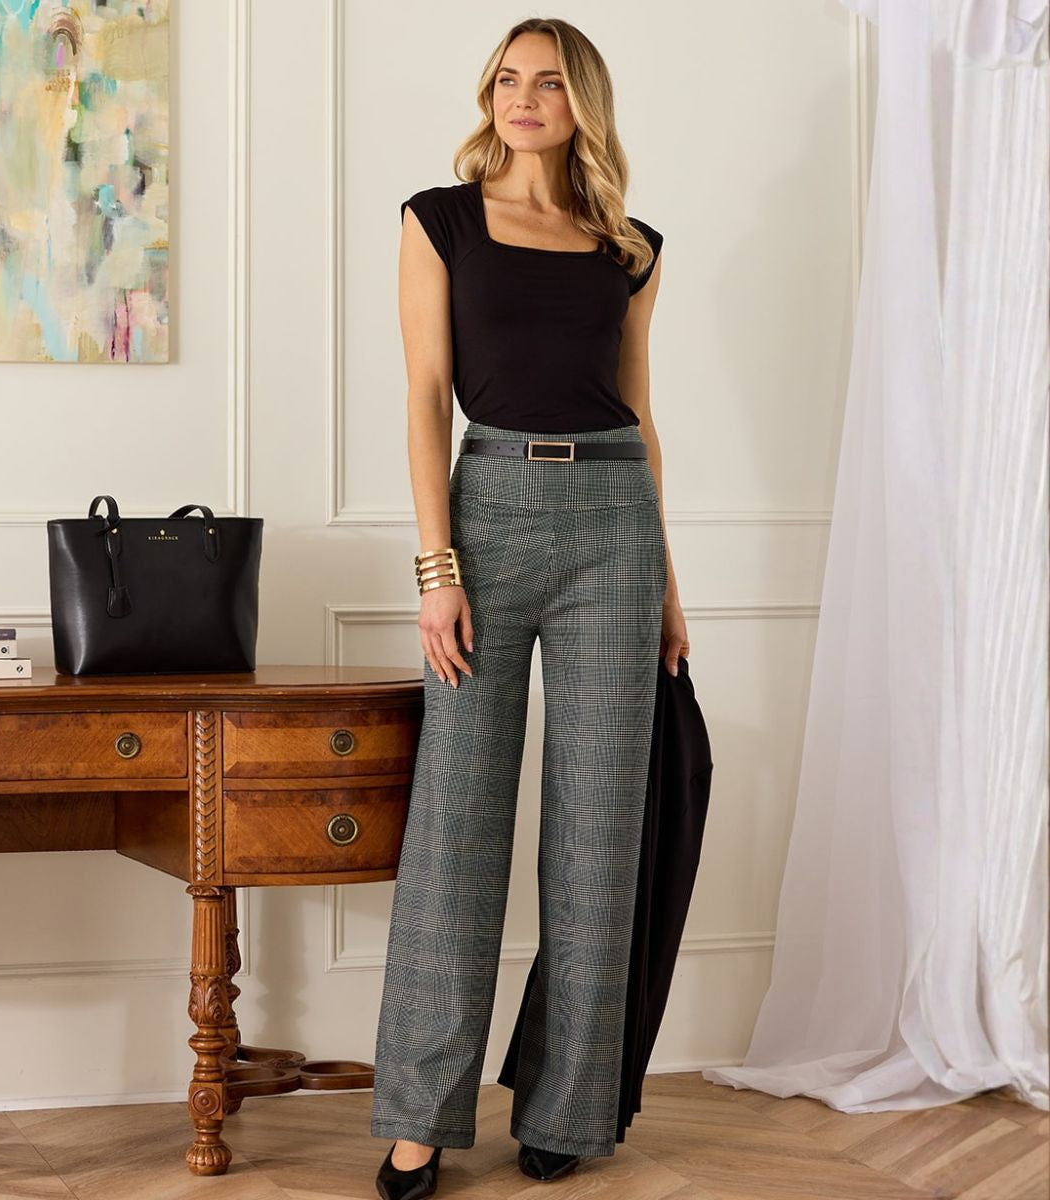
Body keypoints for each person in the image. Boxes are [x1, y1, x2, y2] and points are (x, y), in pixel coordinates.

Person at [371, 16, 689, 1200]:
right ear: (488, 96)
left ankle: (567, 1107)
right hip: (490, 508)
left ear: (581, 102)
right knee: (456, 830)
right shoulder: (438, 220)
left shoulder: (633, 248)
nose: (522, 98)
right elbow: (422, 399)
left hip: (613, 519)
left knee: (601, 836)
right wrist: (436, 570)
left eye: (547, 82)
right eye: (507, 80)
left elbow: (642, 413)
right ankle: (418, 1117)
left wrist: (665, 579)